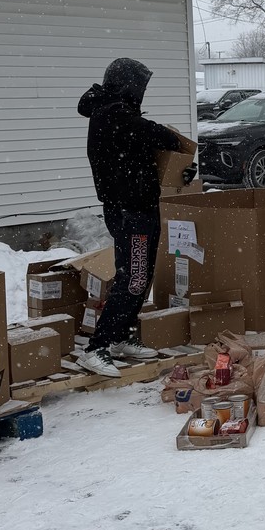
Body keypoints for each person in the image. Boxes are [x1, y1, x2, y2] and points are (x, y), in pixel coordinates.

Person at [77, 58, 191, 377]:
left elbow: (147, 152)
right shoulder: (112, 114)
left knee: (141, 275)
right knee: (134, 277)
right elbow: (158, 135)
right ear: (127, 84)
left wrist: (180, 169)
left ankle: (119, 337)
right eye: (140, 86)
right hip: (129, 210)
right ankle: (97, 347)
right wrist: (175, 141)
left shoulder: (117, 114)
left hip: (139, 206)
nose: (142, 92)